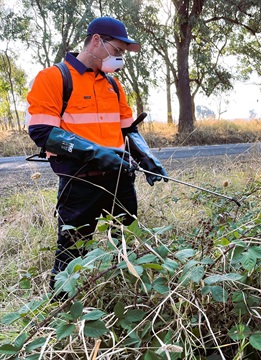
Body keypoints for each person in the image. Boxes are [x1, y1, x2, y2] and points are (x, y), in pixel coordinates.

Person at [27, 17, 168, 299]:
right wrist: (96, 153)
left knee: (127, 242)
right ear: (96, 41)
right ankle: (62, 308)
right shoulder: (54, 78)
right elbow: (43, 132)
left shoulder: (113, 86)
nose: (119, 58)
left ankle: (127, 298)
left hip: (119, 180)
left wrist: (147, 158)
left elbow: (128, 129)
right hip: (79, 184)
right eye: (117, 51)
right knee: (72, 251)